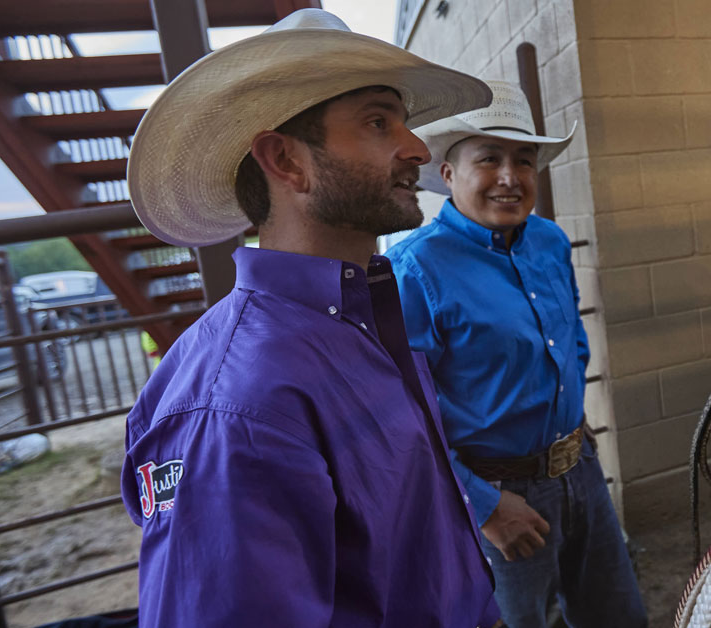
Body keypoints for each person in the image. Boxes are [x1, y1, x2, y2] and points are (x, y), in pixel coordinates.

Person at [119, 10, 500, 627]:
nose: (418, 149)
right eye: (379, 122)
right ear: (286, 161)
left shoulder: (361, 321)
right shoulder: (235, 402)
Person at [387, 81, 648, 628]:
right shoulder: (414, 271)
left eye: (524, 160)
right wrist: (483, 507)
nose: (510, 177)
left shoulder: (549, 241)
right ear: (449, 174)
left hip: (579, 468)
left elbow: (572, 340)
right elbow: (402, 418)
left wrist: (575, 429)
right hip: (495, 497)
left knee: (618, 617)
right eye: (489, 159)